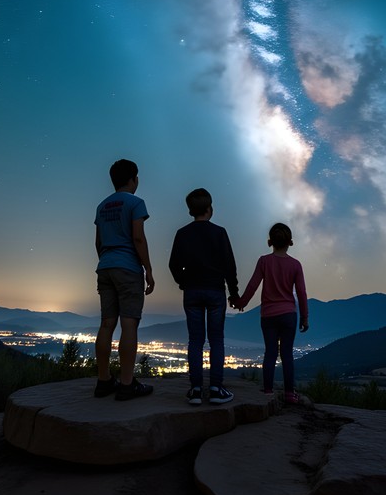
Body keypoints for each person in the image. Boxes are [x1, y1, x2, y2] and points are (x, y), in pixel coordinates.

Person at [168, 188, 241, 405]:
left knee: (195, 340)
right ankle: (216, 389)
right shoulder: (219, 233)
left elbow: (173, 265)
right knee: (216, 340)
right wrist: (234, 293)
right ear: (209, 209)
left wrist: (183, 282)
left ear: (190, 210)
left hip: (192, 291)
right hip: (215, 291)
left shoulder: (182, 233)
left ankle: (196, 390)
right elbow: (229, 266)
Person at [92, 159, 156, 401]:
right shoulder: (135, 203)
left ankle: (104, 381)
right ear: (133, 179)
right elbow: (138, 238)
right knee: (129, 324)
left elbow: (98, 241)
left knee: (106, 324)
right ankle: (127, 384)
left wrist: (106, 260)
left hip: (105, 266)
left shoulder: (101, 206)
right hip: (127, 267)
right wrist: (148, 269)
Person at [233, 222, 309, 404]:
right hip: (289, 315)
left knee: (270, 353)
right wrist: (305, 317)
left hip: (268, 315)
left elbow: (253, 285)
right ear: (290, 242)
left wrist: (242, 302)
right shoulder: (295, 265)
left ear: (270, 242)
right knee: (287, 354)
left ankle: (267, 391)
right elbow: (301, 293)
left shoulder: (264, 261)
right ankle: (289, 394)